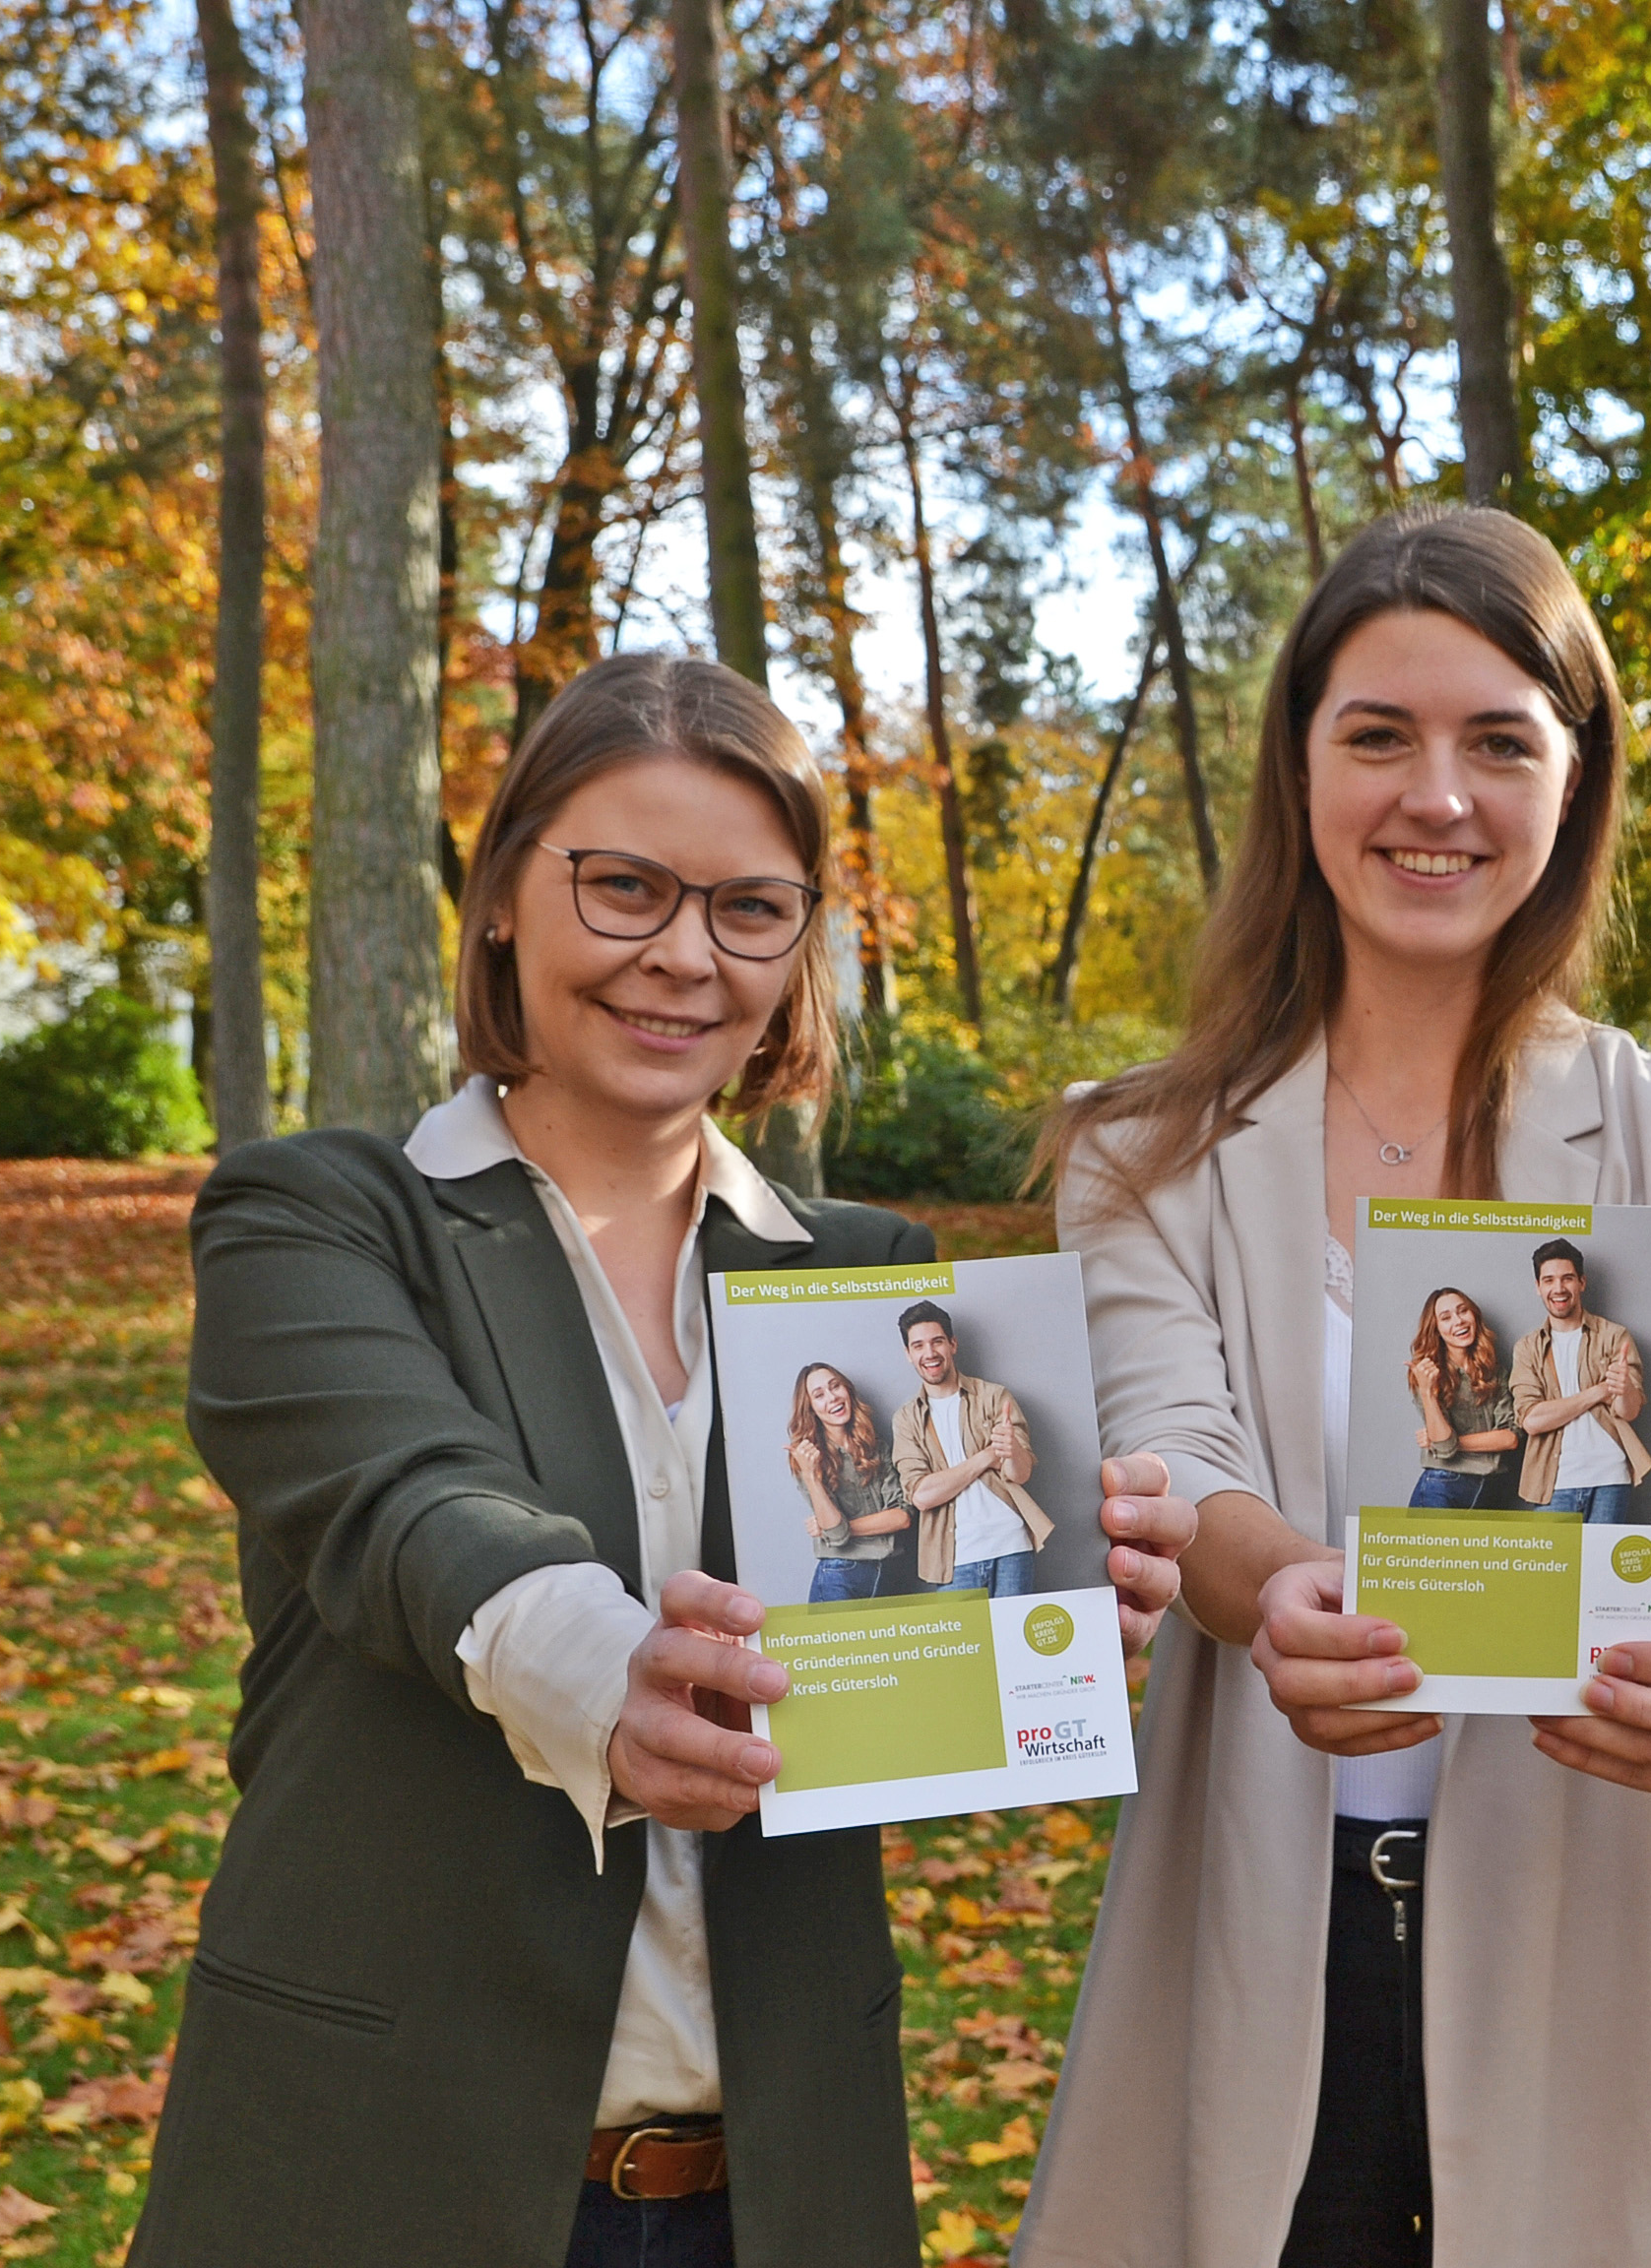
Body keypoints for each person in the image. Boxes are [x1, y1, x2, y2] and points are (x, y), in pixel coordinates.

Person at [138, 654, 1194, 2268]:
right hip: (380, 2164)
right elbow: (409, 1499)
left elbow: (890, 1684)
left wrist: (1047, 1611)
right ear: (500, 894)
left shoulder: (869, 1273)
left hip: (776, 2188)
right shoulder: (321, 1216)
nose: (684, 956)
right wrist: (603, 1666)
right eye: (624, 885)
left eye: (748, 908)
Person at [1019, 506, 1651, 2268]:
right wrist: (1279, 1587)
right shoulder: (1144, 1149)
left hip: (1582, 1899)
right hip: (1254, 1907)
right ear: (1298, 769)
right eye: (1378, 734)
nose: (1435, 794)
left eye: (1498, 740)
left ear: (1572, 781)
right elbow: (1174, 1444)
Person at [891, 1300, 1051, 1598]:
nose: (929, 1353)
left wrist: (1010, 1449)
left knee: (1013, 1642)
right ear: (908, 1355)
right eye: (918, 1346)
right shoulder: (906, 1419)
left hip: (1012, 1546)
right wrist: (987, 1456)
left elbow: (1020, 1473)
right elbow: (922, 1496)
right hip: (953, 1558)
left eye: (937, 1341)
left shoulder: (994, 1396)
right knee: (965, 1645)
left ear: (952, 1344)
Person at [1506, 1238, 1650, 1524]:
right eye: (1548, 1280)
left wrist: (1624, 1389)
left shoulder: (1614, 1336)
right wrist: (1598, 1391)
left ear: (1581, 1282)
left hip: (1611, 1478)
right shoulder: (1527, 1348)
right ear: (1538, 1287)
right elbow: (1532, 1420)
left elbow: (1629, 1411)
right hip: (1553, 1481)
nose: (1558, 1288)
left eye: (1567, 1278)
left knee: (1600, 1568)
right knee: (1553, 1567)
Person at [788, 1361, 909, 1603]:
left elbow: (902, 1517)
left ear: (848, 1390)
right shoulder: (807, 1456)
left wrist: (838, 1529)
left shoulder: (877, 1447)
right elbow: (836, 1532)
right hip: (840, 1577)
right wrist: (811, 1476)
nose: (832, 1398)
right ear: (811, 1408)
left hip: (889, 1575)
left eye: (835, 1387)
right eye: (819, 1395)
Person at [1403, 1287, 1520, 1508]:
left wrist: (1444, 1442)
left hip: (1490, 1490)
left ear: (1474, 1315)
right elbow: (1445, 1448)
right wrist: (1427, 1392)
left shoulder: (1496, 1373)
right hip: (1442, 1487)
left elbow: (1509, 1439)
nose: (1458, 1321)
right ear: (1436, 1329)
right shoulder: (1426, 1373)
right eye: (1446, 1317)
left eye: (1463, 1311)